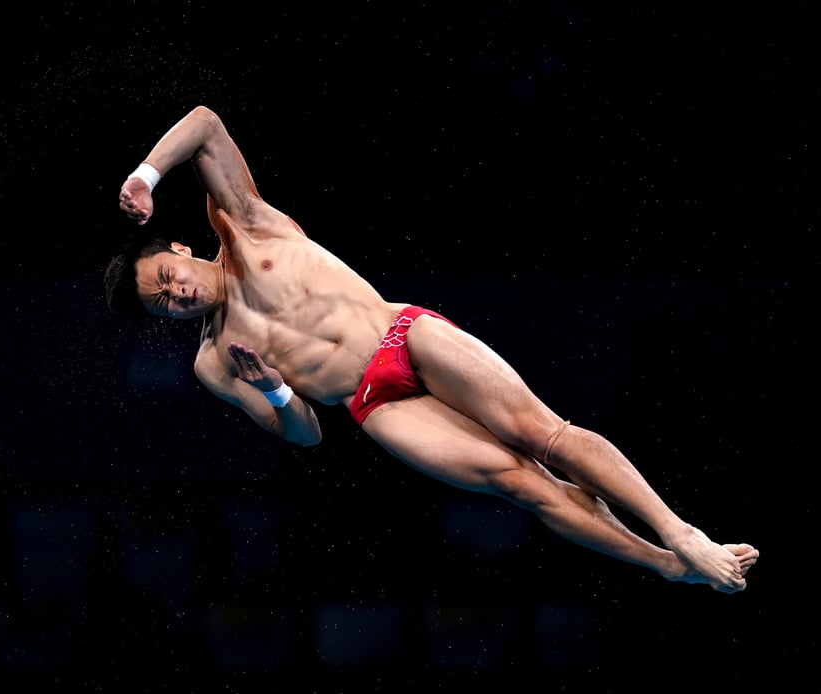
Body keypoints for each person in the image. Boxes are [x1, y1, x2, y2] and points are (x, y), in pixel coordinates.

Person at [105, 105, 759, 593]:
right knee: (520, 484)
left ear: (181, 251)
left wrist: (146, 174)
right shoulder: (216, 361)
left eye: (168, 277)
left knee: (541, 436)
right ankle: (669, 566)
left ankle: (679, 529)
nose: (178, 293)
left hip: (402, 334)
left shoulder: (243, 222)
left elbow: (205, 122)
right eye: (163, 302)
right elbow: (305, 435)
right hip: (374, 404)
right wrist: (274, 385)